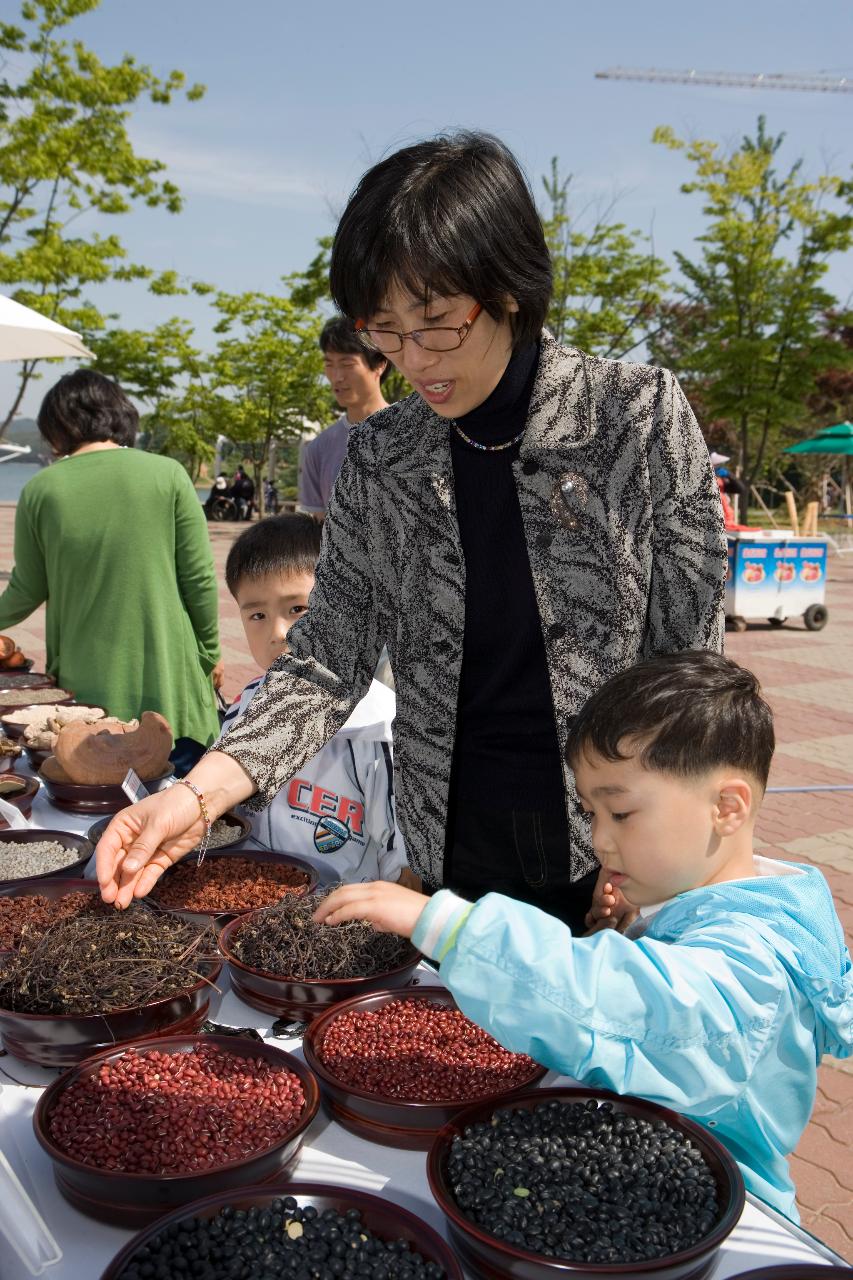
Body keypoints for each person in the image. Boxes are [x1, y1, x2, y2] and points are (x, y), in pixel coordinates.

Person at [96, 131, 725, 929]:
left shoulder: (632, 417)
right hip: (444, 831)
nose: (412, 358)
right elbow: (327, 657)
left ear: (508, 288)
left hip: (607, 835)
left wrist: (653, 845)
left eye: (434, 322)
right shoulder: (384, 454)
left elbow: (689, 668)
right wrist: (197, 793)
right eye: (384, 330)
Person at [314, 651, 853, 1219]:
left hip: (729, 1209)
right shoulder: (729, 902)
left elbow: (644, 1007)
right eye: (589, 812)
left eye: (620, 813)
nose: (599, 840)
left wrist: (452, 925)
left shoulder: (754, 963)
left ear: (727, 807)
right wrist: (641, 933)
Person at [0, 370, 221, 745]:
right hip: (168, 672)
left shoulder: (41, 490)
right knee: (174, 780)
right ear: (120, 414)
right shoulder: (168, 474)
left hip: (86, 679)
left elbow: (25, 589)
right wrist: (210, 652)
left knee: (90, 776)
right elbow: (199, 579)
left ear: (57, 426)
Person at [222, 514, 406, 882]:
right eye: (257, 614)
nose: (278, 632)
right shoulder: (243, 709)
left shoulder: (377, 729)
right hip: (252, 909)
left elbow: (401, 864)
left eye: (297, 609)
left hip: (339, 925)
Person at [297, 315, 389, 518]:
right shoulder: (318, 450)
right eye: (329, 365)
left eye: (347, 364)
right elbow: (319, 530)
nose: (337, 377)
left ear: (380, 364)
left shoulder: (413, 435)